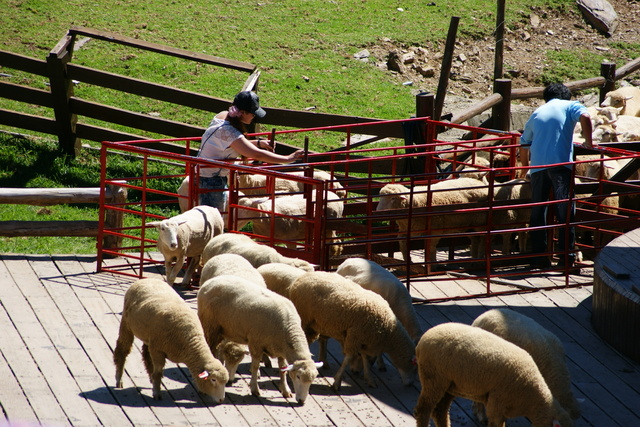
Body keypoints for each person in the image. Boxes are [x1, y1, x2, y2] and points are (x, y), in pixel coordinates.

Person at [519, 83, 594, 269]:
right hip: (560, 166)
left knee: (539, 213)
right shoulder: (570, 106)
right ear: (566, 95)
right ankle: (566, 258)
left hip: (537, 169)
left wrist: (523, 168)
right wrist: (589, 142)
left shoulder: (537, 112)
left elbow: (523, 143)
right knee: (565, 213)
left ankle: (539, 258)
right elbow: (585, 116)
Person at [196, 90, 304, 211]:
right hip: (212, 180)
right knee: (213, 218)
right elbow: (256, 154)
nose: (254, 116)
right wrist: (287, 159)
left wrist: (259, 143)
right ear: (242, 112)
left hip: (205, 175)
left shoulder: (222, 116)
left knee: (209, 216)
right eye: (252, 113)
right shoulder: (229, 131)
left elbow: (233, 144)